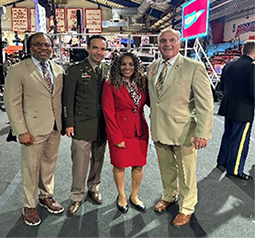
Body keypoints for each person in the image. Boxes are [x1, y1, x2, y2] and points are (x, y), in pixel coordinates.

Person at [147, 29, 213, 228]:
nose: (167, 44)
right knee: (166, 168)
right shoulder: (152, 67)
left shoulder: (194, 67)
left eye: (172, 40)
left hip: (184, 131)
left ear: (180, 42)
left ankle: (186, 207)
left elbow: (205, 103)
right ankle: (169, 195)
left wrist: (202, 132)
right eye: (163, 41)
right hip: (159, 128)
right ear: (158, 44)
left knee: (187, 172)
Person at [4, 32, 64, 226]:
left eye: (47, 45)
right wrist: (20, 130)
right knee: (31, 168)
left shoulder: (57, 69)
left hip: (54, 126)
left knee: (49, 164)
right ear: (30, 47)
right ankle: (29, 205)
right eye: (38, 45)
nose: (44, 48)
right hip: (32, 128)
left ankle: (46, 195)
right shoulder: (18, 70)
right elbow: (12, 103)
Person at [63, 35, 107, 215]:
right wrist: (69, 123)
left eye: (103, 49)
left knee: (98, 161)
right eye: (95, 48)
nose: (99, 52)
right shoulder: (76, 70)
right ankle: (76, 196)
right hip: (81, 124)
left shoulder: (107, 69)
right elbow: (67, 99)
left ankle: (93, 187)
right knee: (80, 163)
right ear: (88, 48)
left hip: (102, 125)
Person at [102, 52, 149, 213]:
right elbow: (108, 112)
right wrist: (116, 137)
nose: (127, 67)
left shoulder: (142, 82)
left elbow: (152, 102)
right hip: (120, 132)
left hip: (140, 131)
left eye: (131, 64)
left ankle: (134, 195)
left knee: (138, 165)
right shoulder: (110, 84)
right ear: (117, 66)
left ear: (136, 66)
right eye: (123, 64)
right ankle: (121, 195)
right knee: (120, 166)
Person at [216, 40, 255, 180]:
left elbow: (221, 86)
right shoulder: (252, 67)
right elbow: (253, 91)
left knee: (228, 136)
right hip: (243, 110)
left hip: (228, 106)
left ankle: (222, 161)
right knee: (240, 141)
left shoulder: (230, 64)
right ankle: (235, 169)